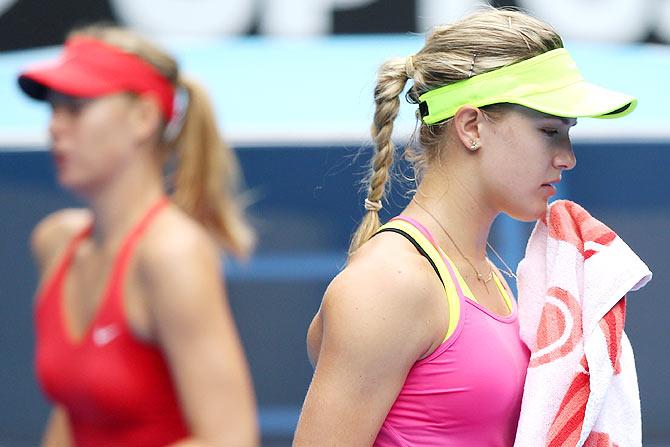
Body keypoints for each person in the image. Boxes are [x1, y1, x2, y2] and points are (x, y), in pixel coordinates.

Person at [294, 8, 636, 447]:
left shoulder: (488, 273)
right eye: (549, 130)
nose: (567, 157)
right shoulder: (390, 283)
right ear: (471, 126)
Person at [19, 25, 259, 447]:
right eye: (53, 108)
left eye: (75, 107)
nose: (54, 127)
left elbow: (231, 438)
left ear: (144, 118)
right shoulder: (54, 242)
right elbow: (74, 413)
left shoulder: (172, 254)